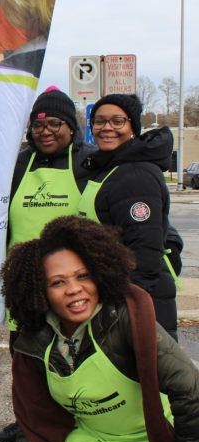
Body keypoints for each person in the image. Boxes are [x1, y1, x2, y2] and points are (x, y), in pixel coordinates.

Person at [5, 216, 199, 442]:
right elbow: (33, 422)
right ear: (38, 291)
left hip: (150, 441)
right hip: (89, 441)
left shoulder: (128, 320)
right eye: (57, 283)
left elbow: (190, 390)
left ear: (100, 273)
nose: (74, 289)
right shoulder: (33, 343)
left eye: (82, 276)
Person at [0, 87, 95, 442]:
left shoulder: (88, 162)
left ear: (71, 128)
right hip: (25, 285)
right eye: (38, 125)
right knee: (25, 360)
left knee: (71, 360)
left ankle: (69, 427)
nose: (46, 131)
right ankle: (28, 423)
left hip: (72, 285)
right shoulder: (19, 163)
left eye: (55, 123)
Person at [80, 94, 178, 340]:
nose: (107, 128)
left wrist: (128, 307)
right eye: (100, 121)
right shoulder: (112, 166)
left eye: (117, 121)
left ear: (133, 127)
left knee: (144, 374)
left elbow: (144, 252)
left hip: (137, 300)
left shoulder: (135, 173)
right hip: (114, 290)